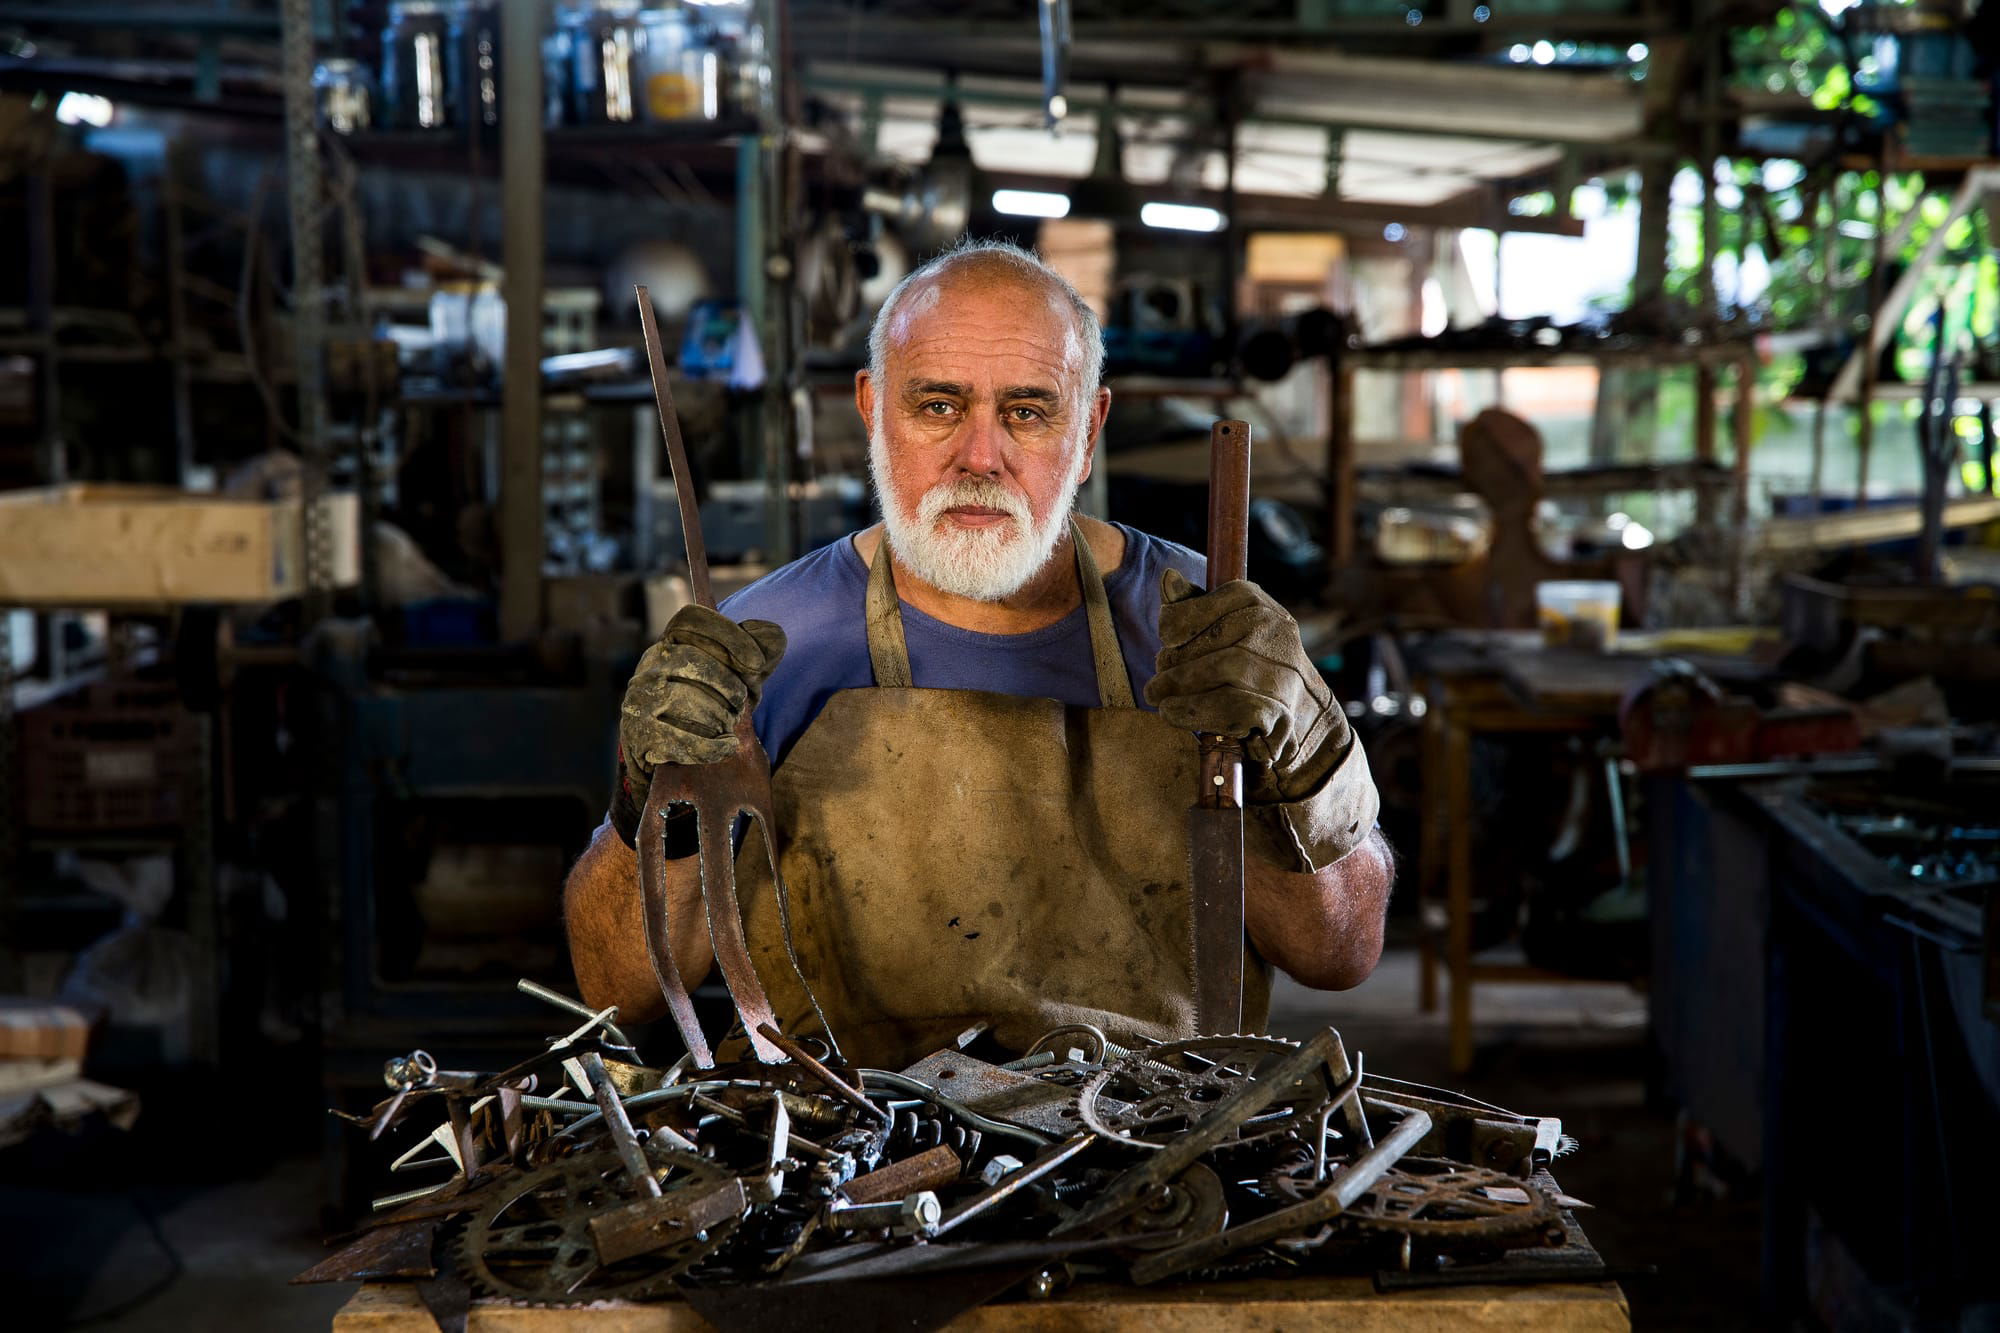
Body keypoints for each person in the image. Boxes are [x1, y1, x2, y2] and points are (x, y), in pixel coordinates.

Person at [564, 240, 1390, 1069]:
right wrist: (647, 799)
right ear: (871, 408)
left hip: (1157, 1153)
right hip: (852, 1166)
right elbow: (616, 988)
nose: (980, 457)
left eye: (1027, 411)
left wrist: (1308, 757)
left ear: (1091, 427)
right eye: (937, 406)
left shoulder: (1209, 631)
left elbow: (1340, 953)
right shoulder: (761, 648)